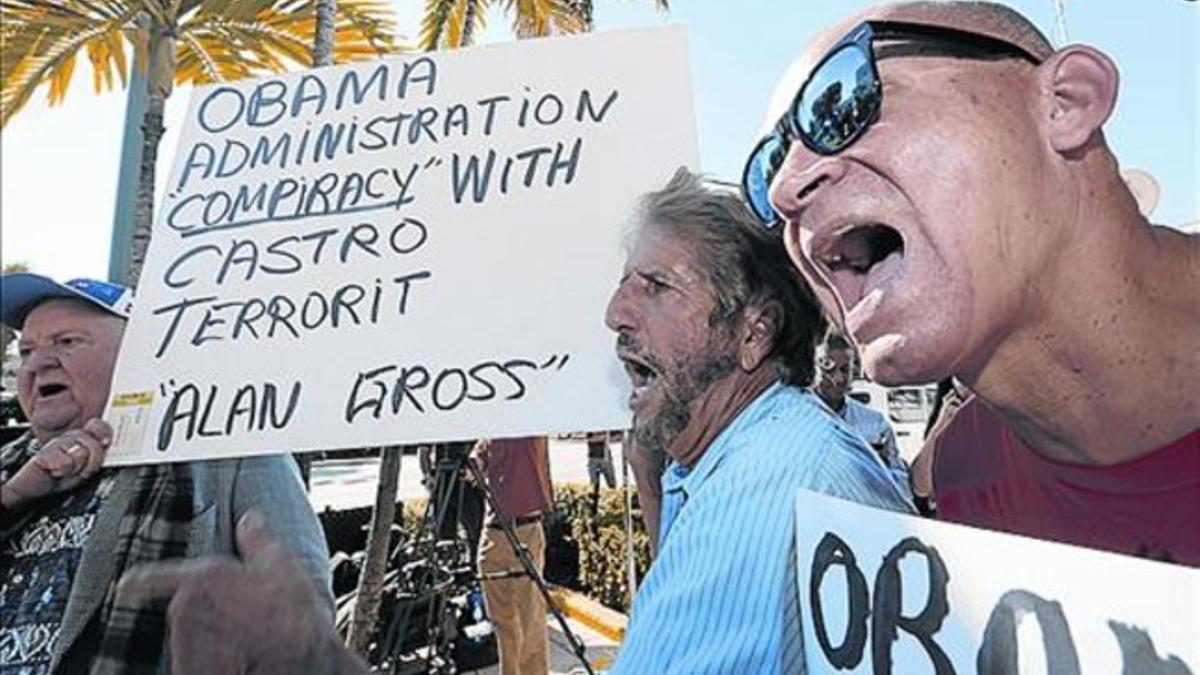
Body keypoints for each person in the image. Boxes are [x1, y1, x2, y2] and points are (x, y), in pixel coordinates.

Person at [743, 1, 1200, 564]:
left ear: (1068, 101)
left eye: (839, 101)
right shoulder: (960, 479)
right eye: (765, 172)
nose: (788, 189)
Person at [604, 168, 913, 673]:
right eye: (624, 285)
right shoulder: (741, 457)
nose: (615, 313)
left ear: (755, 332)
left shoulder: (770, 484)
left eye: (656, 287)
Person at [0, 272, 333, 674]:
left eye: (67, 342)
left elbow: (303, 623)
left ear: (142, 355)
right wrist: (14, 496)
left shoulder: (228, 454)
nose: (38, 363)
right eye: (27, 350)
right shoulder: (10, 469)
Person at [471, 435, 554, 675]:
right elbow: (479, 458)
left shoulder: (529, 425)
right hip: (494, 531)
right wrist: (473, 463)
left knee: (530, 619)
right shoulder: (492, 430)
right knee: (502, 621)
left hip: (525, 528)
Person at [813, 332, 913, 503]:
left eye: (845, 369)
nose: (838, 378)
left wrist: (879, 470)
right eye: (827, 367)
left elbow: (901, 487)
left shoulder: (875, 425)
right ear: (813, 368)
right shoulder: (795, 420)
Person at [585, 430, 616, 510]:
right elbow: (589, 439)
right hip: (593, 458)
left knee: (611, 483)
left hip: (605, 458)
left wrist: (601, 438)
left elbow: (607, 437)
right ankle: (593, 507)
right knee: (593, 484)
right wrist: (601, 438)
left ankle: (614, 505)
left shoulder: (604, 427)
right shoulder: (589, 429)